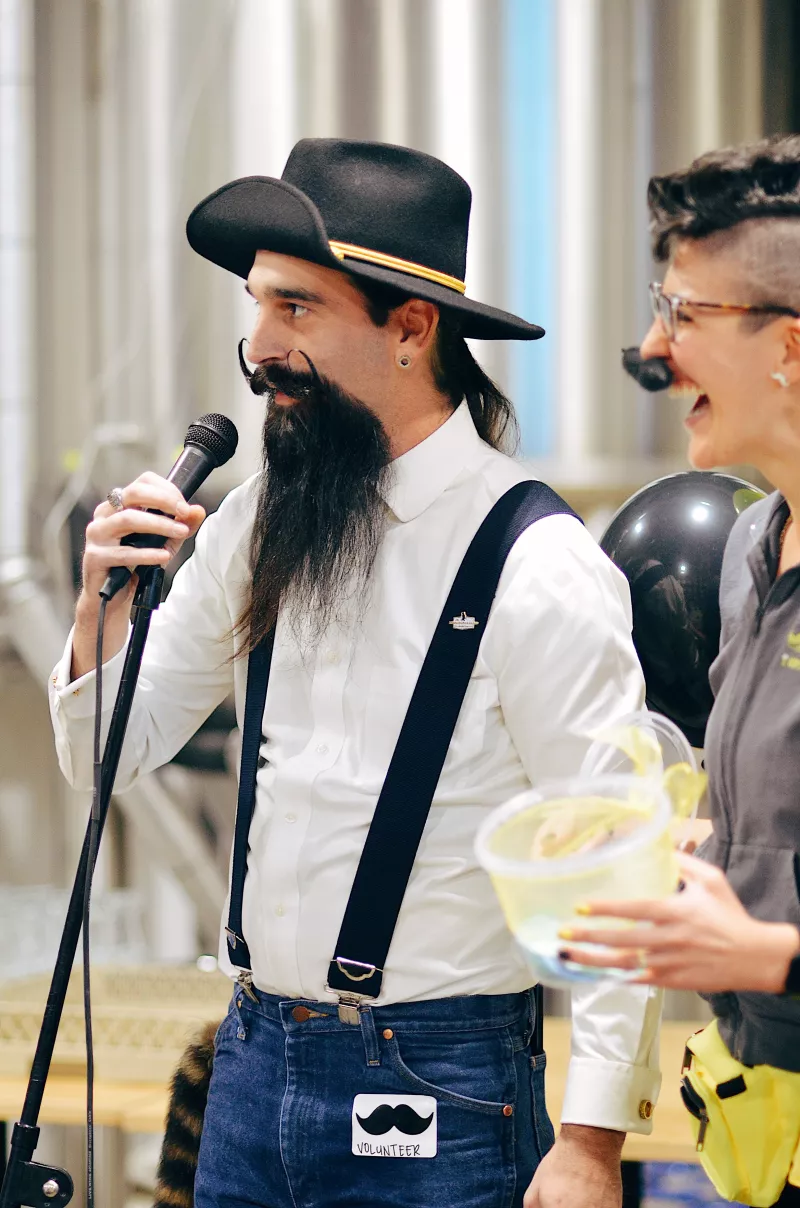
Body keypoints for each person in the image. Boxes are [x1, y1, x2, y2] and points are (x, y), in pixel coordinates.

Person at [49, 139, 661, 1208]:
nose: (256, 347)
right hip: (247, 1065)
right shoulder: (255, 522)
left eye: (296, 310)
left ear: (410, 327)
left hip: (443, 1084)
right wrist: (101, 608)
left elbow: (616, 863)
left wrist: (592, 1141)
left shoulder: (537, 561)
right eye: (256, 306)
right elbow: (106, 755)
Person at [556, 135, 800, 1206]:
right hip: (760, 1129)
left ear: (787, 348)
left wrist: (763, 954)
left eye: (683, 317)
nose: (652, 350)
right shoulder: (753, 555)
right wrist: (716, 849)